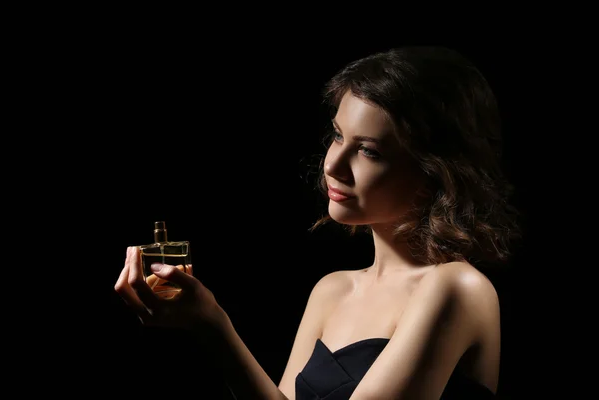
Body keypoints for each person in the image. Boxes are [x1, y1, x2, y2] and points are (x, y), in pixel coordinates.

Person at [115, 45, 520, 399]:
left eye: (370, 151)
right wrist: (208, 324)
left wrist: (215, 326)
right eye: (338, 135)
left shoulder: (457, 288)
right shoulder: (332, 290)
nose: (333, 164)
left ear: (437, 170)